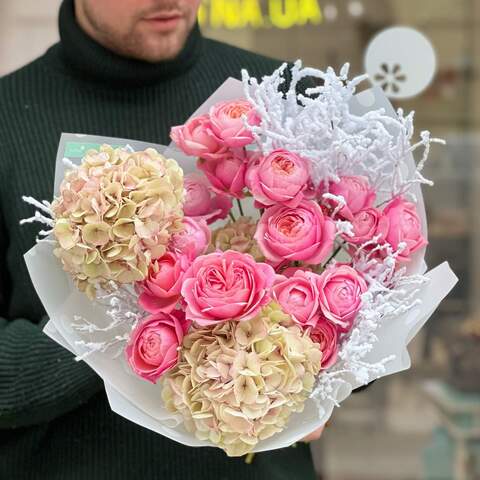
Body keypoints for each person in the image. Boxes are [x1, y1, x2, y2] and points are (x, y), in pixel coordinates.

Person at [0, 1, 324, 478]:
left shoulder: (281, 99)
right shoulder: (9, 119)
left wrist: (327, 365)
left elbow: (368, 304)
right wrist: (135, 321)